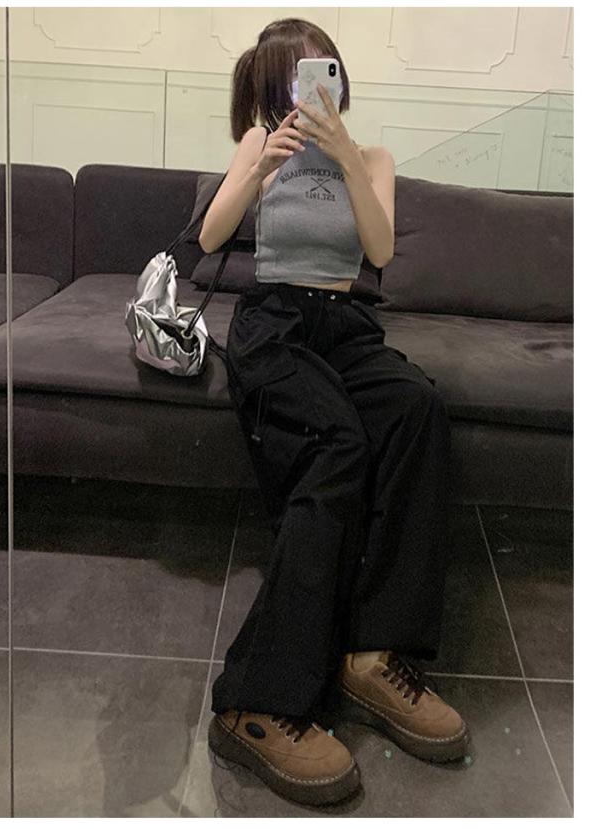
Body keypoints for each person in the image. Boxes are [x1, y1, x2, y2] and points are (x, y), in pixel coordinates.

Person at [199, 18, 470, 807]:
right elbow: (210, 237)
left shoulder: (373, 157)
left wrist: (346, 155)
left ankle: (370, 654)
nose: (314, 89)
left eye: (324, 72)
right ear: (272, 87)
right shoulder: (260, 145)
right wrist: (261, 167)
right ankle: (256, 697)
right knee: (338, 441)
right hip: (275, 324)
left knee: (417, 408)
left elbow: (378, 253)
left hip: (345, 325)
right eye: (296, 77)